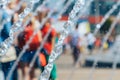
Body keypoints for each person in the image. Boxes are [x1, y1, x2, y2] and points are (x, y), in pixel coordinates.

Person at [0, 13, 18, 80]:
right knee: (9, 73)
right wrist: (16, 23)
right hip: (8, 50)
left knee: (5, 72)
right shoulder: (6, 15)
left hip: (3, 49)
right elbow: (9, 32)